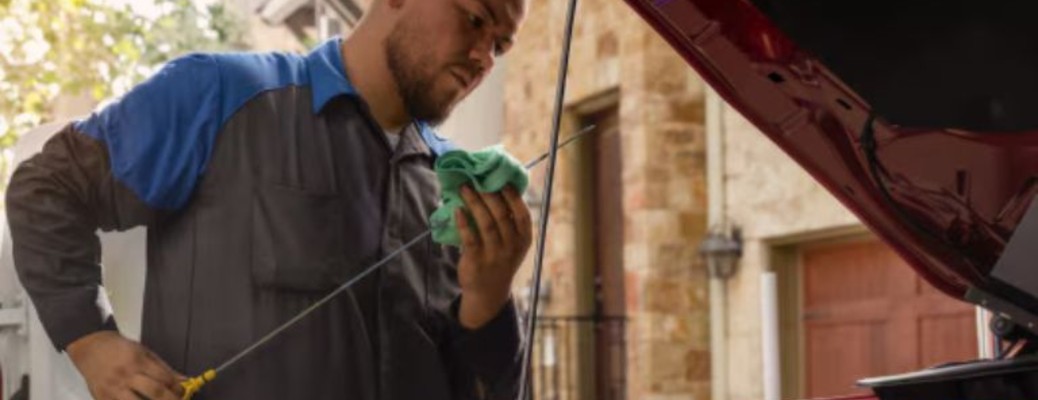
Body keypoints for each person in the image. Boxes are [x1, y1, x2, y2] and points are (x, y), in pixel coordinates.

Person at [6, 0, 530, 398]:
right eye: (476, 19)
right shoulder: (220, 94)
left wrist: (490, 298)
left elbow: (487, 388)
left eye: (502, 46)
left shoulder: (456, 188)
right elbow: (47, 187)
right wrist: (90, 340)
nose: (483, 57)